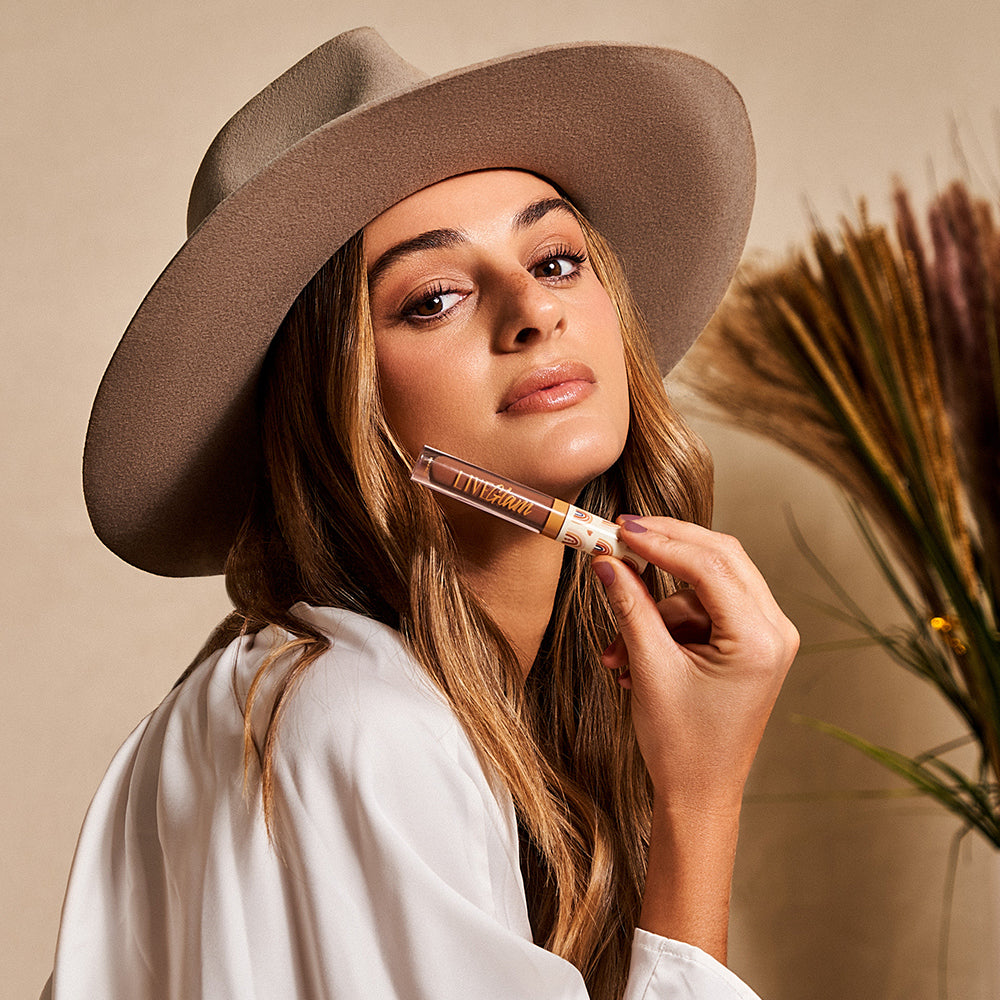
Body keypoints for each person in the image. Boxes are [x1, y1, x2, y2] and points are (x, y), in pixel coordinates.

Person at [44, 27, 798, 1000]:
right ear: (334, 394)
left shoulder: (332, 693)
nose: (531, 309)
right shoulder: (360, 726)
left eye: (560, 258)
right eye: (434, 296)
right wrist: (699, 801)